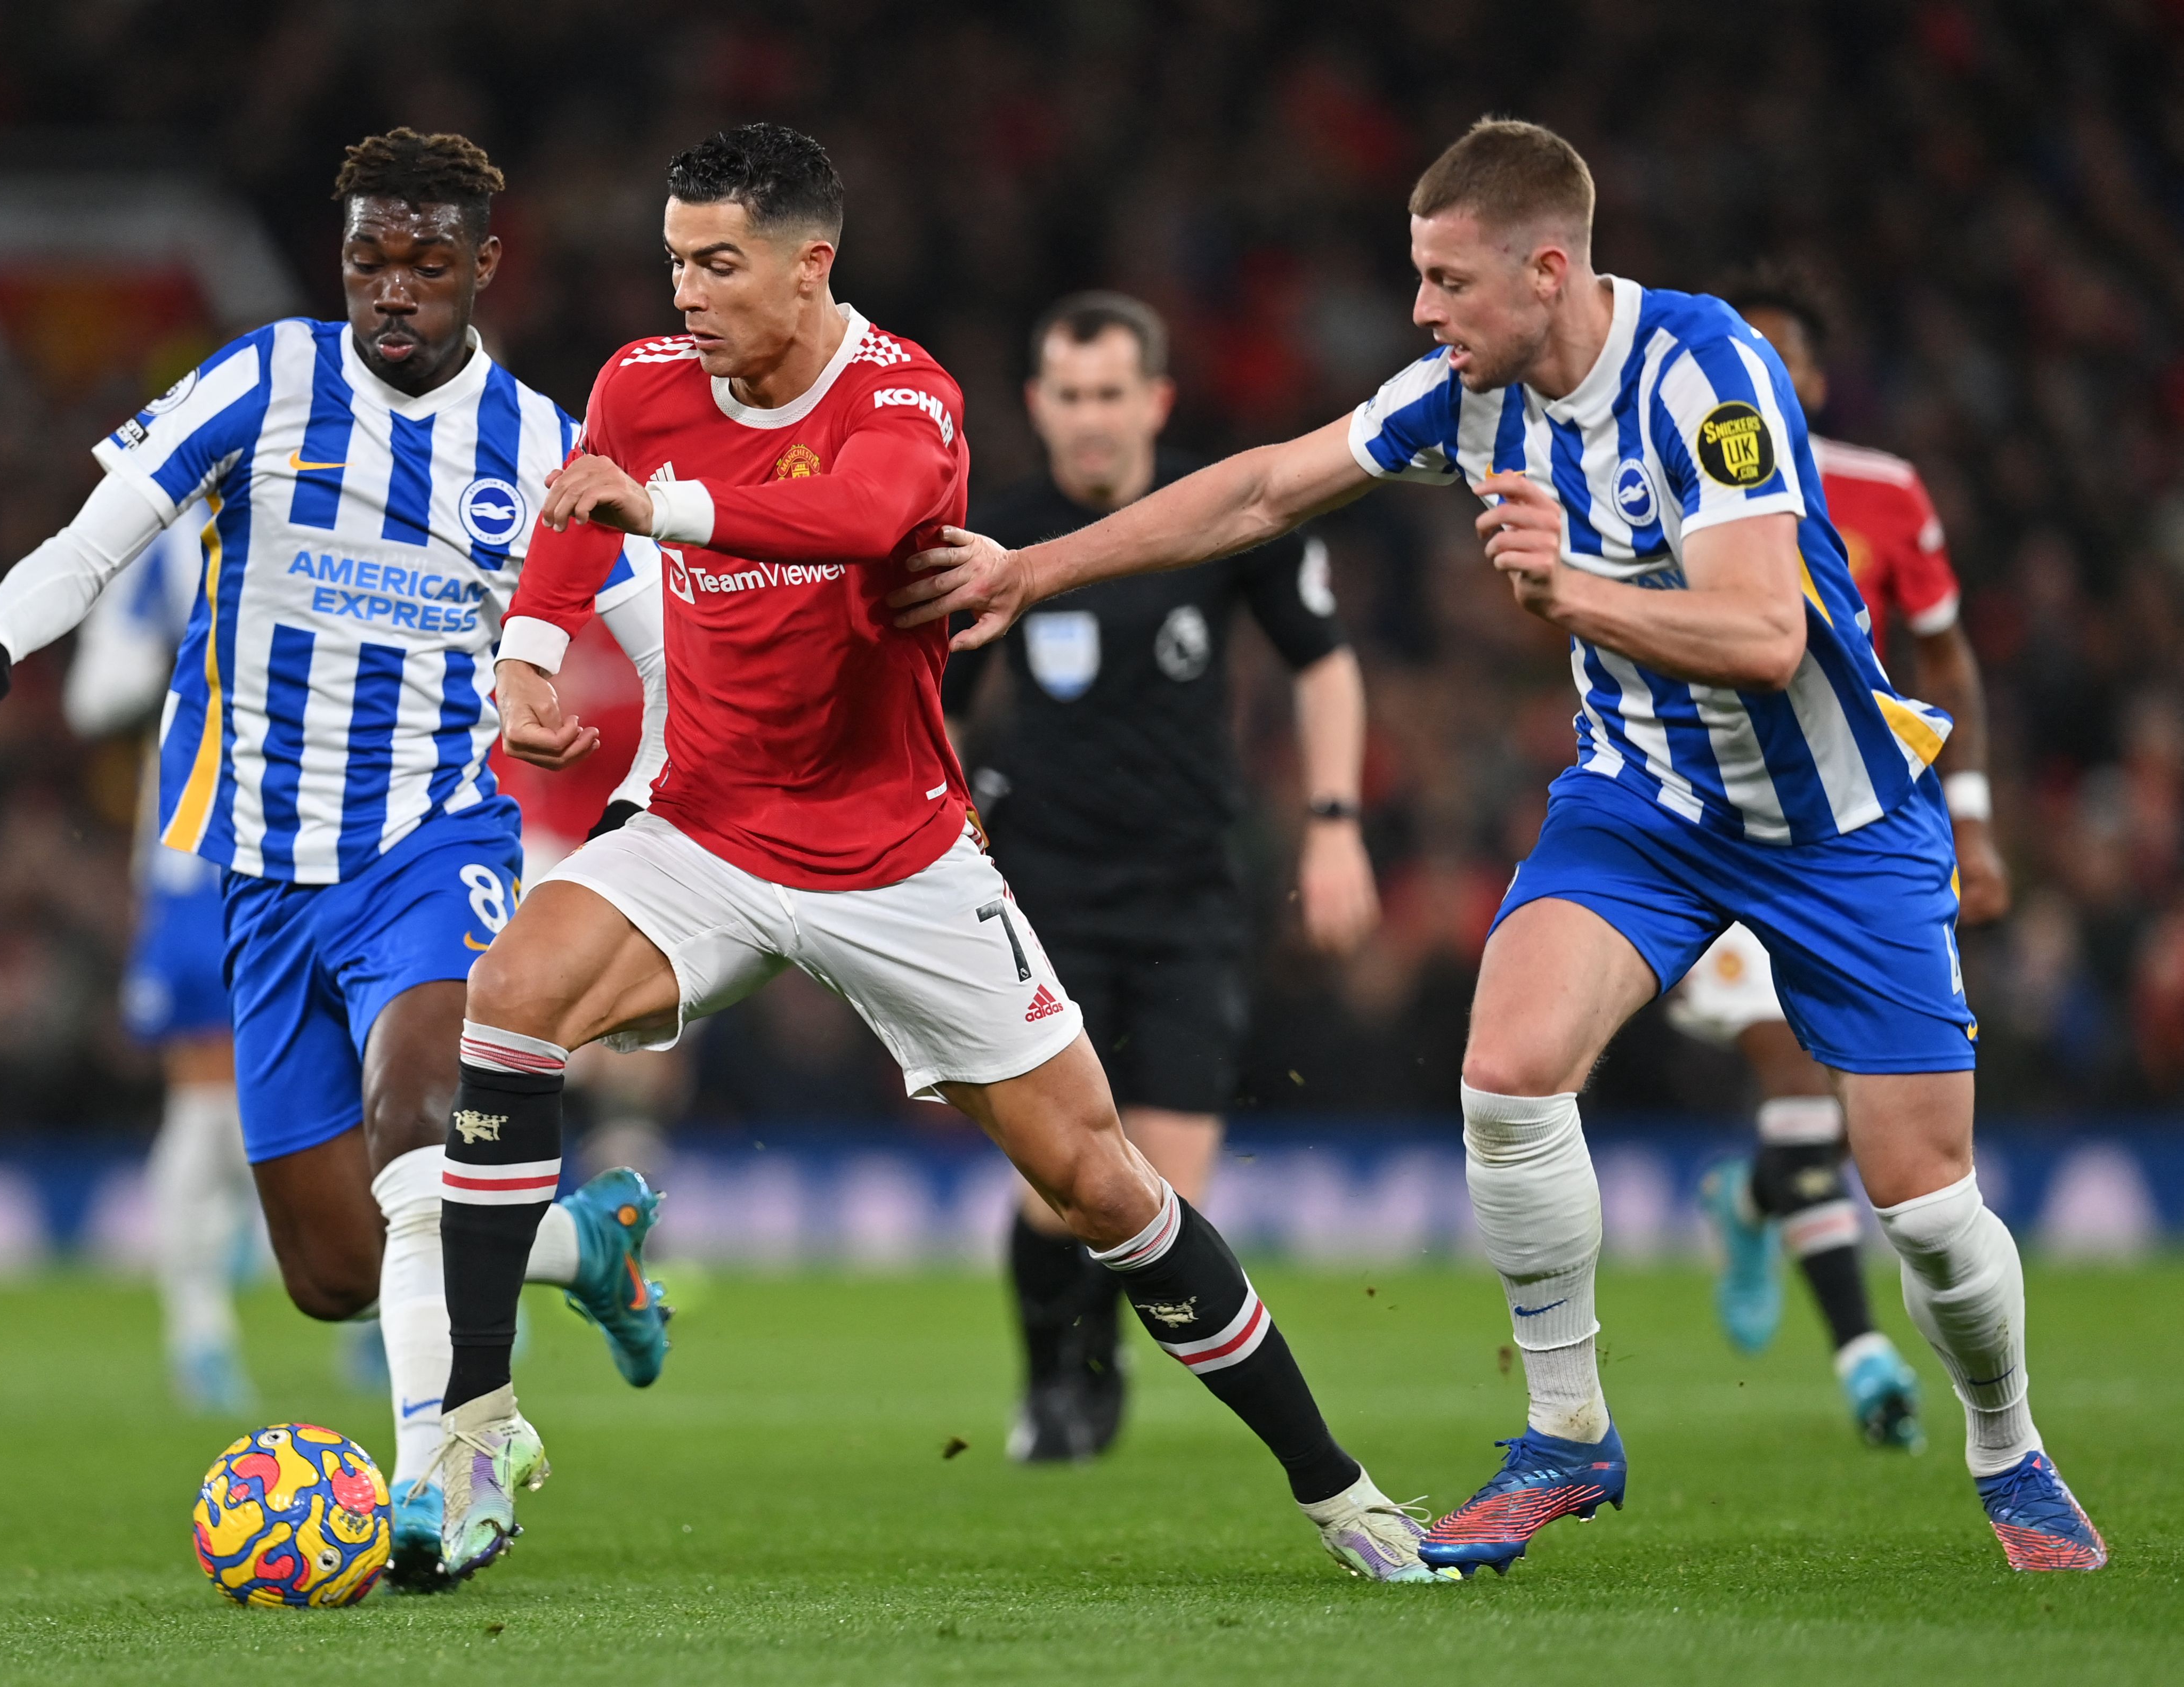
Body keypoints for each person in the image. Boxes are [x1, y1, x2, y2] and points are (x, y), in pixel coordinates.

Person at [894, 118, 2106, 1576]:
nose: (1418, 310)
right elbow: (1264, 487)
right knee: (1507, 1066)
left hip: (1840, 823)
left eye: (1442, 280)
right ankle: (1564, 1434)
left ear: (1545, 270)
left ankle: (2004, 1441)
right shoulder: (1467, 392)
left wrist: (1570, 595)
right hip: (1645, 805)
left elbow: (1764, 632)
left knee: (1920, 1200)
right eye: (1415, 279)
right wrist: (1036, 566)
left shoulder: (1705, 374)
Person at [442, 123, 1451, 1587]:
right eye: (674, 262)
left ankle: (1336, 1486)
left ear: (809, 267)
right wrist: (532, 650)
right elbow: (577, 514)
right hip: (706, 824)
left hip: (893, 850)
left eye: (718, 263)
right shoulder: (644, 383)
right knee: (507, 996)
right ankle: (476, 1426)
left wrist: (658, 509)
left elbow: (857, 518)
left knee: (1100, 1186)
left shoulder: (906, 395)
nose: (688, 294)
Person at [0, 128, 678, 1593]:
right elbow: (99, 536)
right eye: (368, 259)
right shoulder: (264, 380)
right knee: (332, 1263)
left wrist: (646, 803)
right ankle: (588, 1243)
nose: (394, 288)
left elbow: (654, 642)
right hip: (258, 874)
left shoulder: (537, 445)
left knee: (423, 1128)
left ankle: (441, 1486)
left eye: (426, 262)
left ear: (481, 266)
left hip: (430, 845)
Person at [943, 291, 1380, 1463]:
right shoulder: (997, 535)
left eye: (1110, 395)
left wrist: (1333, 823)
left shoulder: (1220, 515)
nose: (1090, 420)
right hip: (1039, 894)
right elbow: (928, 709)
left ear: (1155, 400)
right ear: (1037, 406)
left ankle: (1091, 1367)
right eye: (1068, 397)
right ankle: (1056, 1378)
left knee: (1161, 1184)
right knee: (1058, 1186)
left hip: (1190, 891)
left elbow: (1323, 664)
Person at [1669, 262, 2015, 1452]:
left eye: (1779, 356)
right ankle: (1864, 1354)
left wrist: (1969, 816)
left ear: (1810, 376)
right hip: (1710, 826)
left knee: (1841, 1118)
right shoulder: (1665, 481)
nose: (1754, 375)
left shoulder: (1881, 492)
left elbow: (1944, 660)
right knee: (1788, 1071)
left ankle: (1755, 1196)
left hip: (1849, 830)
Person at [61, 497, 265, 1416]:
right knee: (209, 1090)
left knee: (355, 1076)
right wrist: (196, 664)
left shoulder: (365, 503)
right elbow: (93, 692)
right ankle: (199, 1332)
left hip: (348, 843)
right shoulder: (173, 543)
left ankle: (377, 1311)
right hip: (203, 849)